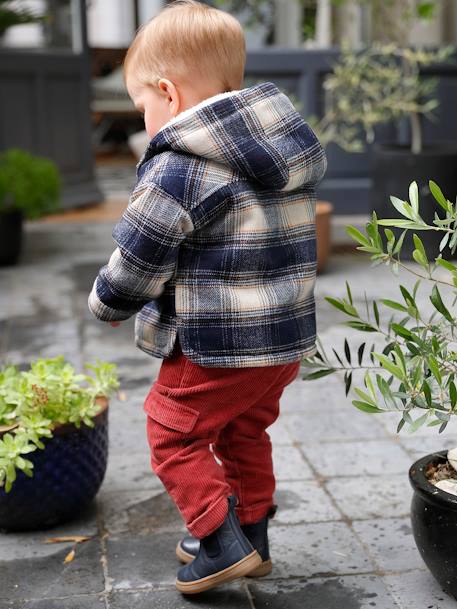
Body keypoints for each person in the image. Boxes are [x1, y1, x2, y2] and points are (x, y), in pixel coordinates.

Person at [88, 0, 327, 595]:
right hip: (282, 342)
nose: (145, 119)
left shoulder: (179, 167)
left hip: (215, 346)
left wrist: (108, 302)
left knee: (171, 431)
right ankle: (251, 536)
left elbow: (140, 254)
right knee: (243, 431)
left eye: (142, 105)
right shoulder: (282, 154)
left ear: (167, 93)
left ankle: (218, 542)